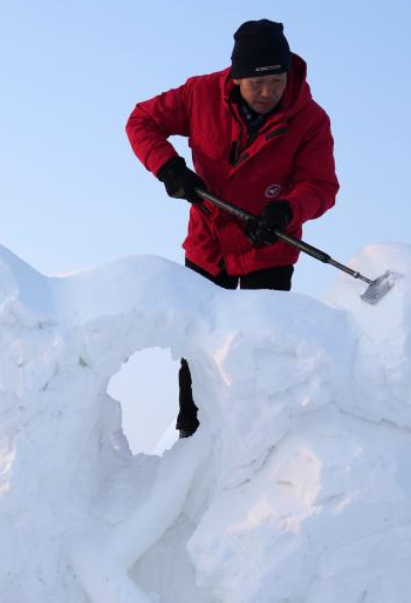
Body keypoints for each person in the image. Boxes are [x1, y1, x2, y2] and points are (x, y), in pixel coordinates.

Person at [126, 19, 339, 437]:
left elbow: (321, 186)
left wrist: (287, 209)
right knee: (199, 347)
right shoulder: (200, 94)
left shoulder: (310, 120)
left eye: (277, 81)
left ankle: (261, 438)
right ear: (236, 78)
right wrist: (168, 168)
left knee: (263, 345)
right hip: (209, 242)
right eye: (257, 84)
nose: (267, 93)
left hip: (270, 244)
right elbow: (141, 122)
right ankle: (193, 433)